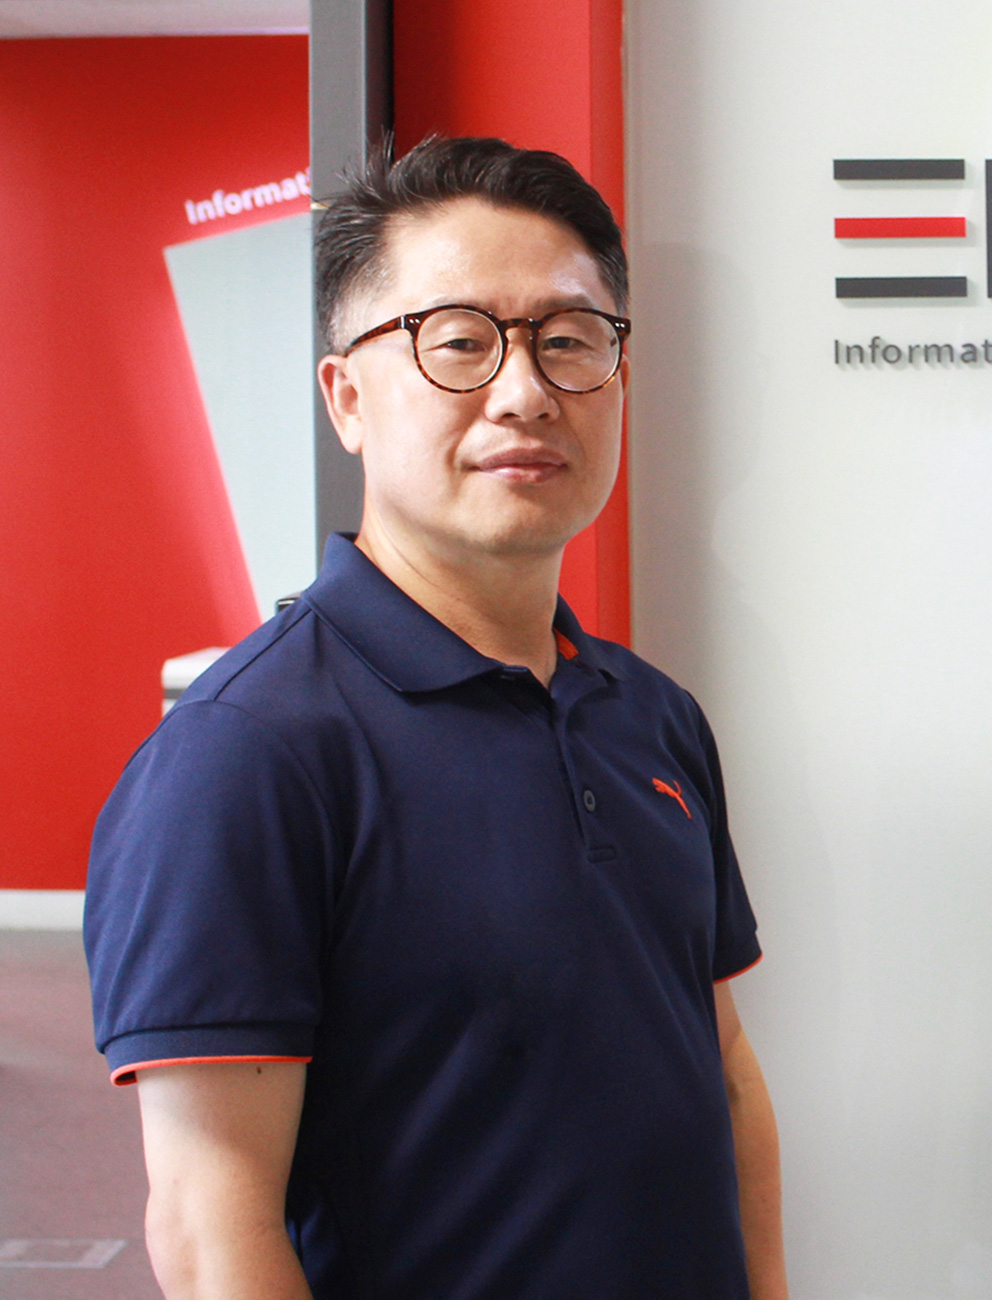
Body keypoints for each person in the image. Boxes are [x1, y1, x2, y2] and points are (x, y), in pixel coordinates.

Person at [83, 136, 784, 1300]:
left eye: (569, 340)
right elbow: (211, 1228)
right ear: (347, 397)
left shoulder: (651, 717)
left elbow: (724, 1072)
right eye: (458, 342)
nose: (524, 391)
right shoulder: (245, 755)